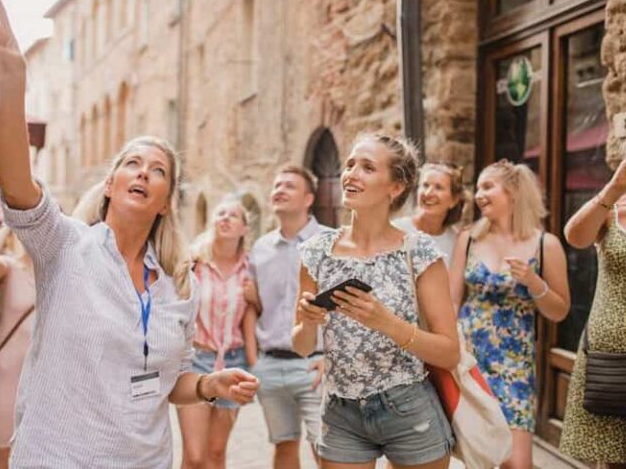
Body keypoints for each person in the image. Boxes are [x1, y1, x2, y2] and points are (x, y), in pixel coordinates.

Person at [0, 0, 259, 467]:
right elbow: (17, 183)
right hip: (58, 458)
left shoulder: (175, 286)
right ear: (111, 184)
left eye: (158, 170)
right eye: (132, 163)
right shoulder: (64, 246)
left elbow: (174, 382)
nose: (144, 173)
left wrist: (209, 386)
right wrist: (11, 83)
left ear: (166, 201)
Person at [293, 133, 460, 469]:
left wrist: (386, 323)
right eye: (350, 164)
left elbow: (449, 351)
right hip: (342, 412)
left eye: (367, 167)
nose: (351, 174)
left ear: (395, 188)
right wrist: (308, 322)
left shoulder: (420, 252)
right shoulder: (317, 251)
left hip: (409, 409)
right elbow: (300, 345)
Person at [449, 160, 571, 469]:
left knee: (516, 464)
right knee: (473, 459)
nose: (479, 195)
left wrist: (533, 282)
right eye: (477, 188)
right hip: (470, 363)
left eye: (487, 186)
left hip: (515, 367)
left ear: (514, 191)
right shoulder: (468, 240)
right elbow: (451, 303)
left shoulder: (546, 244)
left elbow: (559, 311)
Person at [559, 116, 626, 469]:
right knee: (614, 463)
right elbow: (575, 237)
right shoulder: (613, 209)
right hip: (612, 365)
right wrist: (614, 188)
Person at [246, 165, 328, 469]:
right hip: (271, 366)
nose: (279, 189)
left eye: (289, 186)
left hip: (314, 366)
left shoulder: (330, 242)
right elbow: (253, 306)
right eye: (276, 185)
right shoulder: (261, 248)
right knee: (283, 446)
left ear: (308, 199)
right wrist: (256, 362)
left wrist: (333, 357)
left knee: (328, 453)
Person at [177, 197, 255, 469]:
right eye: (220, 213)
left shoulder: (250, 270)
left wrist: (256, 298)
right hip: (197, 361)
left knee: (216, 453)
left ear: (244, 229)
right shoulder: (194, 263)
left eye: (233, 215)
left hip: (234, 362)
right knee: (194, 455)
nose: (225, 218)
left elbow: (255, 317)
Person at [0, 226, 35, 469]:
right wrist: (10, 222)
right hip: (7, 377)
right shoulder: (10, 269)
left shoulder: (57, 273)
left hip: (42, 379)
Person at [393, 162, 468, 263]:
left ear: (454, 200)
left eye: (438, 187)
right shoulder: (397, 229)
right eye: (425, 185)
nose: (428, 193)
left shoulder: (456, 242)